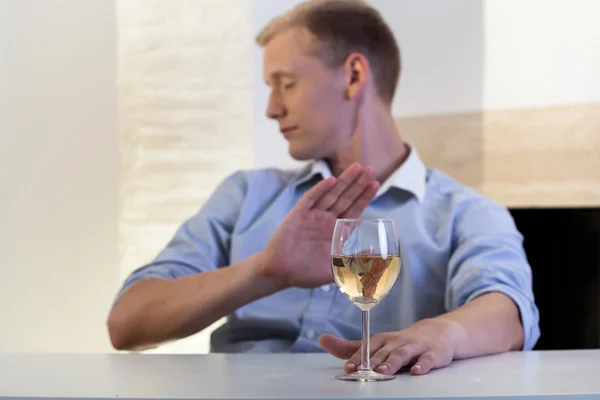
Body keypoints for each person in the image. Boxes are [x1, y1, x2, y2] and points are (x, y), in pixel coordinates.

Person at [107, 0, 540, 376]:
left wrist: (443, 332)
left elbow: (507, 311)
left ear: (353, 75)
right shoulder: (245, 195)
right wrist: (264, 271)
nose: (273, 108)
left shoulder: (466, 213)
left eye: (286, 83)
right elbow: (127, 324)